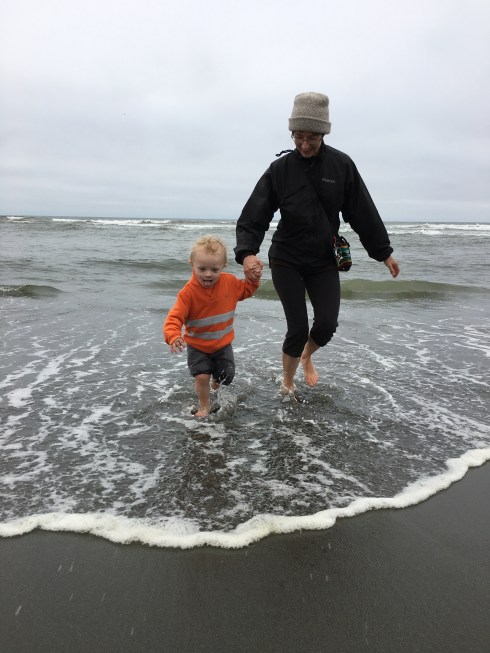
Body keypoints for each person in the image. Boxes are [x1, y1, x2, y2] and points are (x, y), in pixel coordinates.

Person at [234, 91, 400, 400]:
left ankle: (307, 355)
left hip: (324, 259)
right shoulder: (280, 170)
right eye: (298, 136)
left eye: (312, 137)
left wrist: (383, 252)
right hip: (286, 257)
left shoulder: (341, 166)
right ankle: (287, 382)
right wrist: (247, 253)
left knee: (326, 324)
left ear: (323, 133)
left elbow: (362, 211)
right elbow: (254, 214)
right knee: (297, 327)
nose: (304, 144)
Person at [163, 235, 259, 417]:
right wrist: (173, 335)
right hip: (197, 346)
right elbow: (174, 318)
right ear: (192, 264)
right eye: (202, 269)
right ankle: (204, 406)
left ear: (223, 266)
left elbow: (247, 290)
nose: (208, 274)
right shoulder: (187, 293)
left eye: (214, 269)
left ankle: (216, 381)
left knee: (227, 376)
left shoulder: (230, 283)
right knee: (201, 376)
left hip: (222, 344)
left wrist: (253, 279)